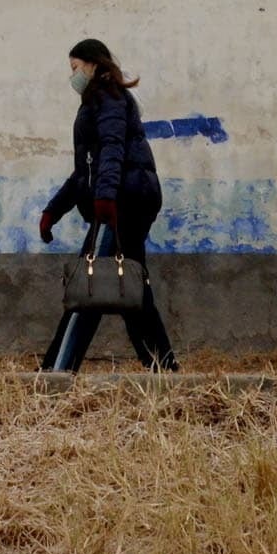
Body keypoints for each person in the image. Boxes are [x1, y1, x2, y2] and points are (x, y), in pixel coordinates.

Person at [35, 37, 181, 372]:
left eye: (74, 68)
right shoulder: (98, 99)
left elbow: (113, 148)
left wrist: (104, 199)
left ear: (92, 63)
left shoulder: (108, 97)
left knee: (88, 287)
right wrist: (53, 211)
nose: (72, 76)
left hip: (122, 201)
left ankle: (56, 373)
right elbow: (86, 171)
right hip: (125, 198)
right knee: (128, 290)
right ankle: (163, 370)